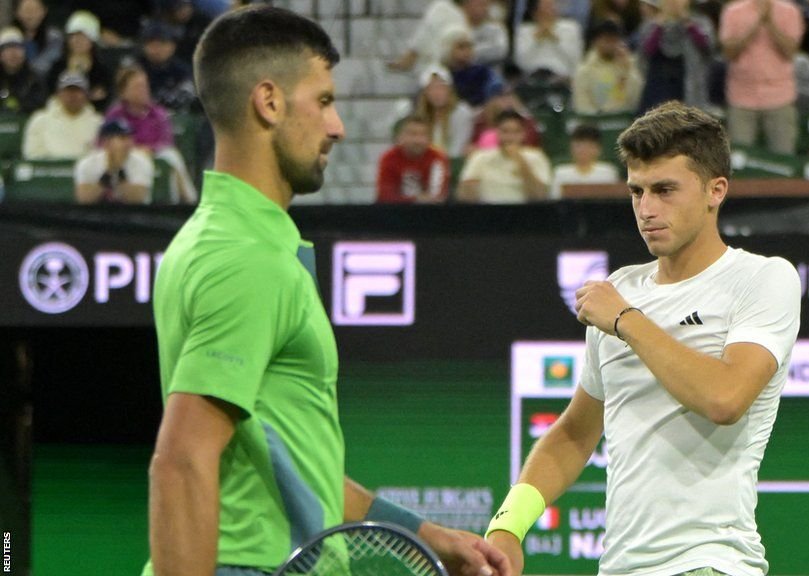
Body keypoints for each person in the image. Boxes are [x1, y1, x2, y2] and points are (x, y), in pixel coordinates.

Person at [146, 7, 513, 576]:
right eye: (322, 101)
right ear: (268, 102)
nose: (338, 125)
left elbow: (294, 462)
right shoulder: (247, 258)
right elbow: (181, 462)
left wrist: (428, 536)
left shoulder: (214, 240)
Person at [485, 101, 801, 576]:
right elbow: (575, 432)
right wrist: (507, 528)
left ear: (716, 190)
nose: (647, 209)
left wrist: (627, 320)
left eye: (665, 190)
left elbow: (725, 398)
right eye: (637, 192)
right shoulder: (622, 288)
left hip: (711, 563)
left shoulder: (762, 279)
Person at [719, 0, 804, 154]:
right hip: (741, 98)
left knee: (783, 160)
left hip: (780, 97)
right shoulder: (733, 11)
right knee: (739, 161)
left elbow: (790, 51)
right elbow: (729, 52)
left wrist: (770, 22)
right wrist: (755, 25)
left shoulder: (790, 11)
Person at [105, 65, 197, 203]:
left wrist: (150, 149)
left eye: (145, 86)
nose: (143, 91)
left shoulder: (158, 114)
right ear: (123, 92)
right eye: (137, 87)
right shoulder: (115, 115)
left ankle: (185, 201)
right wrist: (132, 149)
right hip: (124, 156)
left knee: (171, 156)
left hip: (152, 154)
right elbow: (103, 141)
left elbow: (166, 141)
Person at [636, 0, 715, 113]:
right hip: (657, 90)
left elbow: (706, 46)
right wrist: (660, 26)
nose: (674, 2)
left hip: (689, 90)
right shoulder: (651, 25)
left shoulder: (701, 22)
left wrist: (688, 24)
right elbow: (646, 51)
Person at [457, 109, 552, 203]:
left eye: (516, 132)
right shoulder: (480, 157)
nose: (510, 137)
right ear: (496, 132)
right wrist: (470, 185)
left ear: (523, 134)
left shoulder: (536, 157)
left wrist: (521, 162)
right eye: (505, 131)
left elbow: (541, 196)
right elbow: (463, 197)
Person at [22, 71, 103, 160]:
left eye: (77, 91)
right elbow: (32, 154)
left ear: (86, 94)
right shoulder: (39, 120)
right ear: (58, 94)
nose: (73, 95)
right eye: (68, 91)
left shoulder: (99, 123)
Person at [572, 19, 644, 115]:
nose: (611, 45)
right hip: (596, 123)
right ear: (596, 41)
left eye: (614, 40)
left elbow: (636, 99)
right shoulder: (585, 70)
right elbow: (582, 105)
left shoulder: (628, 64)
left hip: (625, 120)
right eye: (607, 40)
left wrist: (627, 71)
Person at [74, 118, 154, 204]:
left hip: (132, 214)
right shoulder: (88, 163)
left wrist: (119, 170)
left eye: (130, 137)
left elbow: (137, 199)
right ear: (106, 142)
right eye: (123, 138)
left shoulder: (142, 162)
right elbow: (85, 199)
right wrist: (108, 172)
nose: (129, 142)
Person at [46, 10, 114, 111]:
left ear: (92, 41)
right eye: (73, 36)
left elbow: (105, 98)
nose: (77, 40)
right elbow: (50, 95)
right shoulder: (57, 68)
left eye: (83, 37)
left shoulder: (102, 71)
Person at [377, 114, 450, 203]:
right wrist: (415, 199)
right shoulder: (388, 158)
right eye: (412, 134)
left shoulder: (437, 158)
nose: (418, 140)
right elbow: (385, 195)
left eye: (423, 134)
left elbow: (437, 197)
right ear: (400, 137)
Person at [514, 0, 585, 82]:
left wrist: (555, 39)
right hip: (532, 77)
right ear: (535, 12)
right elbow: (519, 62)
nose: (548, 11)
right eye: (544, 7)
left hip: (562, 77)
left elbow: (576, 61)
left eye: (551, 6)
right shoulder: (524, 30)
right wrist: (536, 39)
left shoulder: (571, 28)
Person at [550, 123, 620, 198]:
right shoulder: (560, 173)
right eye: (579, 145)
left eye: (589, 145)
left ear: (598, 149)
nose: (583, 150)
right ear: (571, 147)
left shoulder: (608, 172)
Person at [0, 27, 48, 115]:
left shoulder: (35, 80)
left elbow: (40, 110)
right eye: (7, 49)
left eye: (17, 48)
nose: (13, 53)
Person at [12, 0, 63, 80]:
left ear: (44, 11)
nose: (30, 14)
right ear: (17, 13)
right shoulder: (9, 38)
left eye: (35, 10)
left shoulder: (54, 38)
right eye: (26, 10)